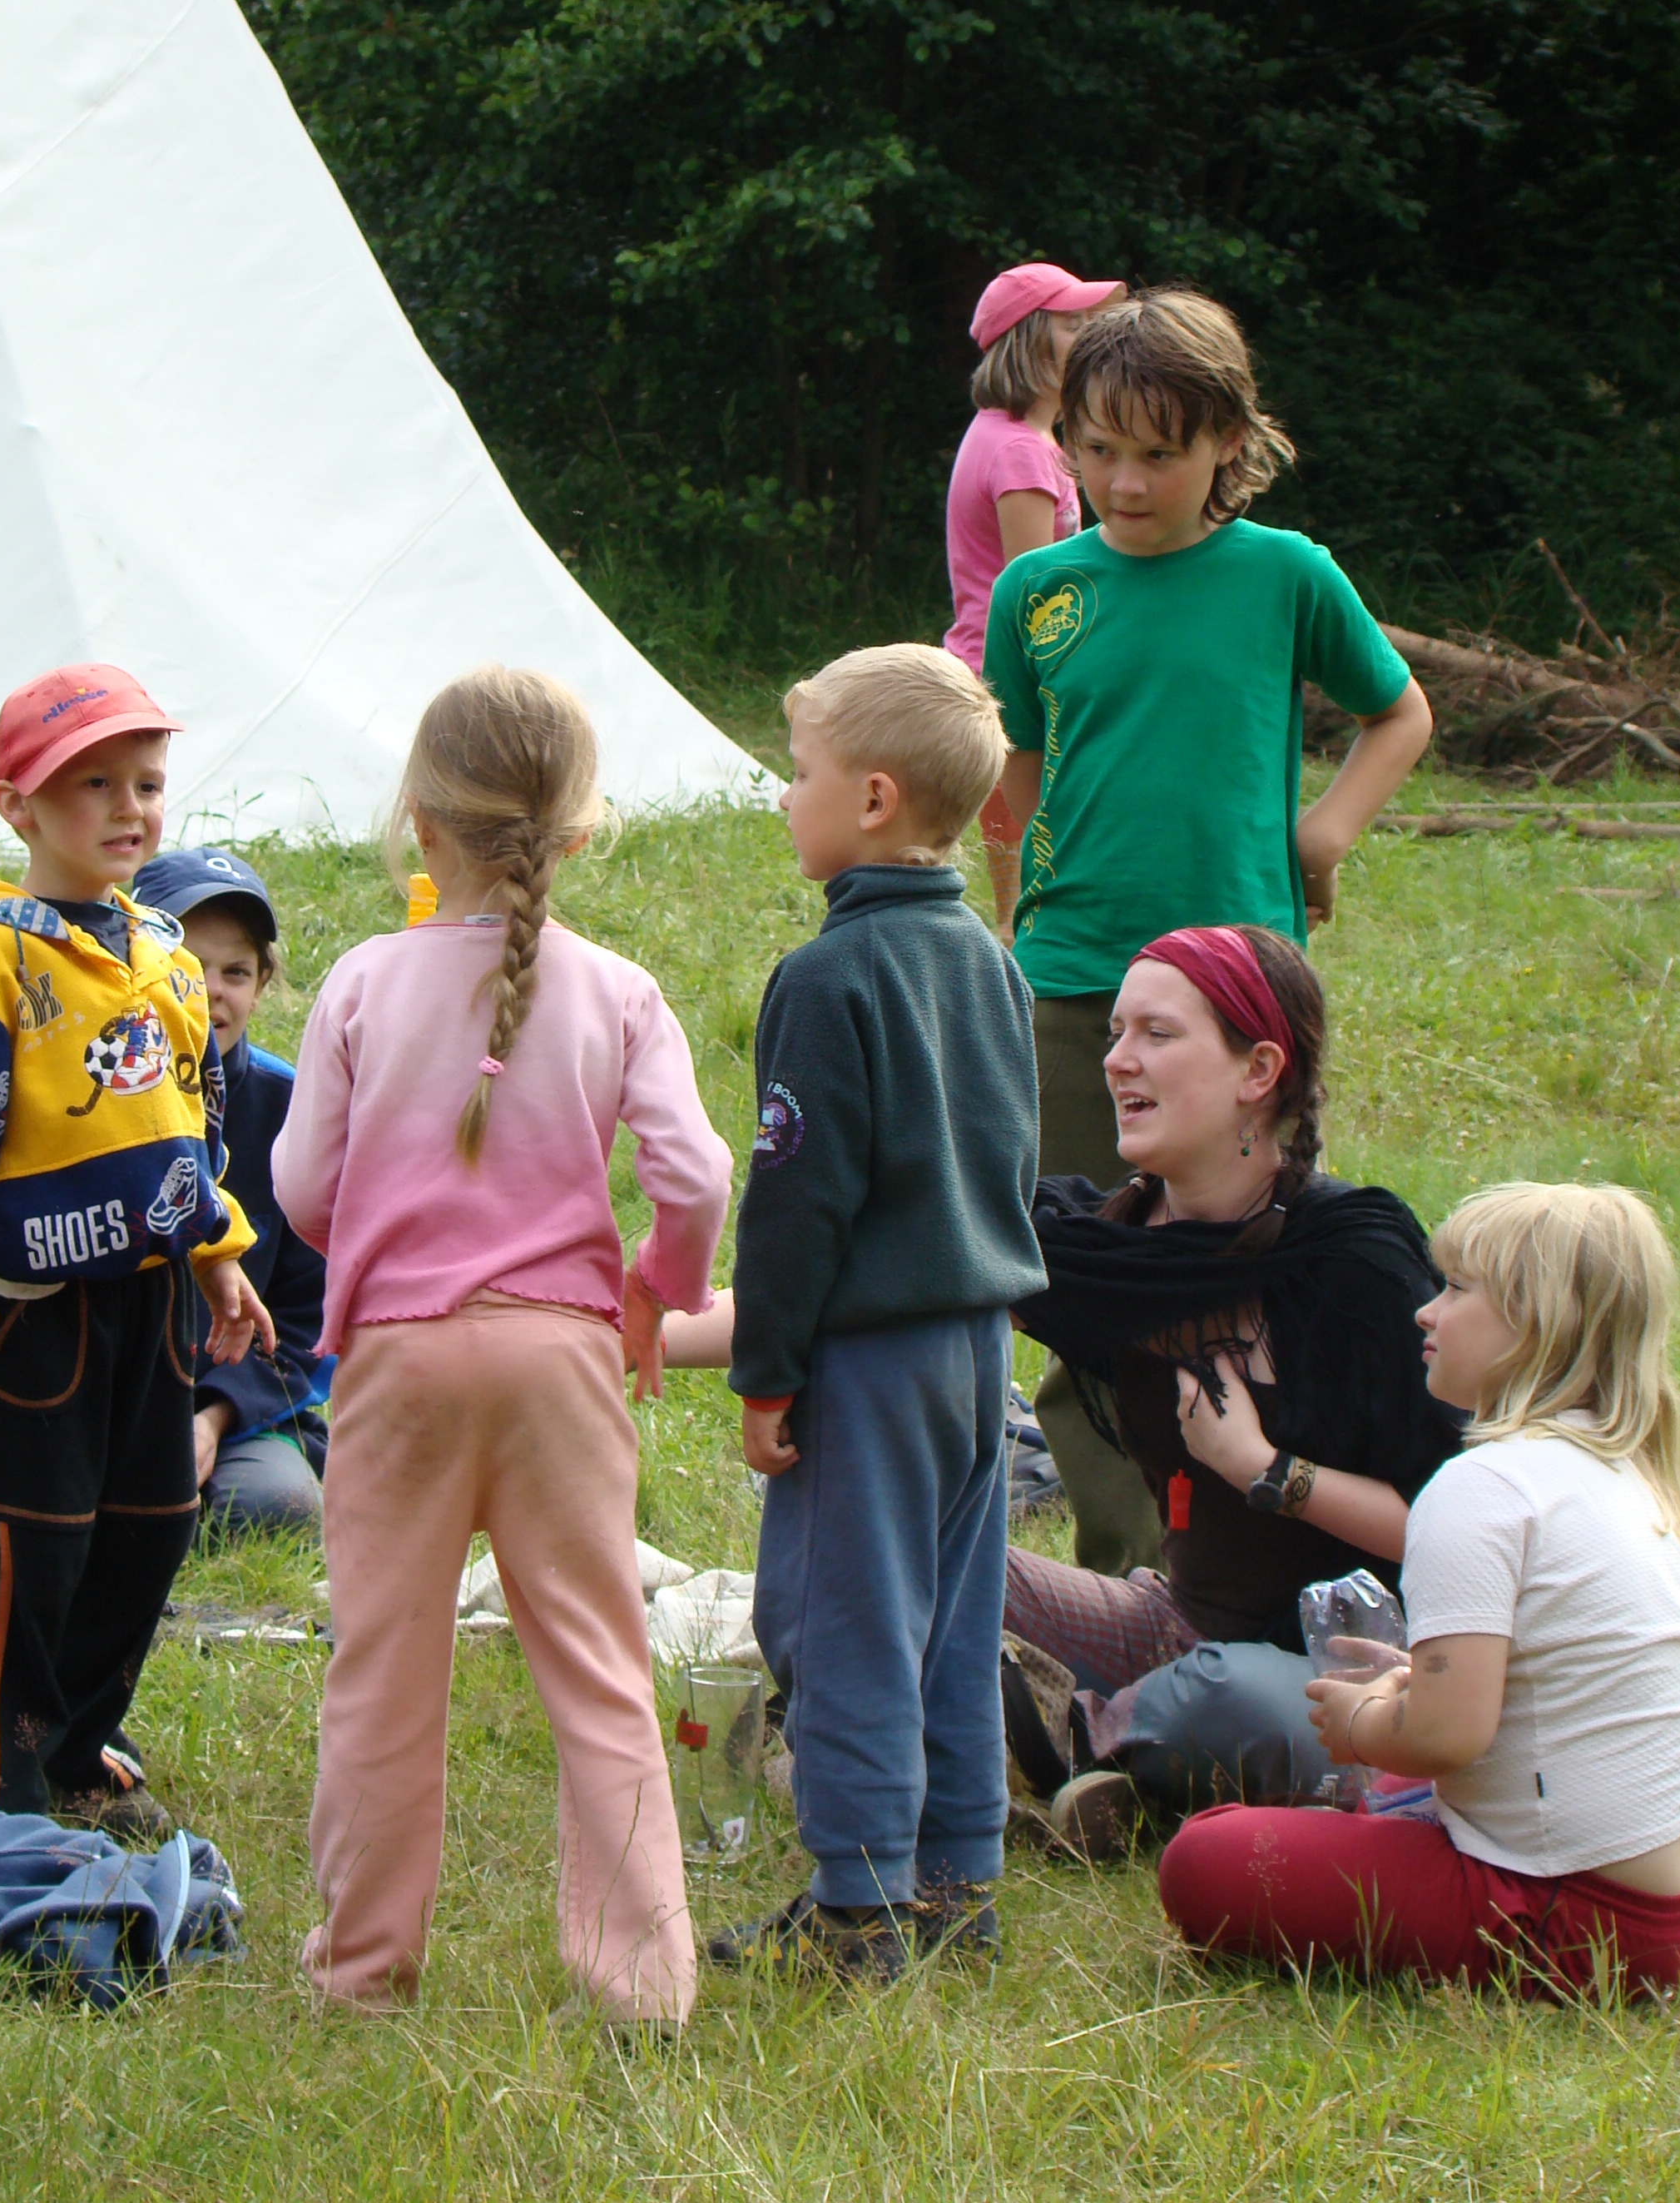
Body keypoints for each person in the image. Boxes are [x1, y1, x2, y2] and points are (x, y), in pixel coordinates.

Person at [276, 666, 733, 2023]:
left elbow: (301, 1187)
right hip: (564, 1365)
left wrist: (377, 1229)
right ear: (579, 834)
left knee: (381, 1671)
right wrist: (659, 1287)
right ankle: (644, 1982)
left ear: (418, 823)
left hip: (398, 1365)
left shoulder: (362, 982)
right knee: (599, 1665)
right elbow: (696, 1174)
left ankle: (363, 1971)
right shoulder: (620, 991)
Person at [984, 286, 1435, 1577]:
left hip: (1240, 990)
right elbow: (1015, 773)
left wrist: (1324, 833)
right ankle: (1123, 1573)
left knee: (1249, 1272)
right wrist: (1011, 932)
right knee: (1082, 1275)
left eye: (1159, 454)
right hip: (1075, 980)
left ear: (1229, 443)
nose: (1125, 482)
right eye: (1098, 449)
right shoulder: (1037, 591)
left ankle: (1252, 1569)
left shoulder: (1287, 576)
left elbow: (1398, 713)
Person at [0, 666, 273, 1838]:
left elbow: (188, 1127)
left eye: (147, 783)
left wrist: (218, 1251)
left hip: (154, 1306)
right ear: (18, 806)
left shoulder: (166, 956)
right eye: (94, 785)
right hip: (35, 1312)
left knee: (149, 1528)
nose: (129, 808)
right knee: (22, 1546)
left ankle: (79, 1750)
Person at [1159, 1184, 1680, 1998]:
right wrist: (1415, 1684)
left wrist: (1363, 1723)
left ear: (1538, 1324)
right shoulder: (1616, 1464)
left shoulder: (1480, 1489)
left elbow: (1446, 1737)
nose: (1425, 1312)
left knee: (1205, 1856)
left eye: (1458, 1289)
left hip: (1586, 1920)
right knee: (1397, 1788)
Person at [706, 646, 1045, 1982]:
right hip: (979, 1350)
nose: (786, 797)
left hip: (870, 1360)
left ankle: (855, 1907)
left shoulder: (829, 978)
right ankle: (959, 1877)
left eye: (801, 774)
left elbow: (796, 1206)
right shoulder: (992, 965)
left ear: (874, 799)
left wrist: (766, 1373)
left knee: (841, 1622)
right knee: (954, 1621)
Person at [1005, 925, 1461, 1851]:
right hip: (1178, 1627)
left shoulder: (1353, 1266)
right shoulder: (1111, 1249)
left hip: (1365, 1673)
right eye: (1115, 1035)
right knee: (929, 1559)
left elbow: (1454, 1529)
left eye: (1157, 1034)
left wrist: (1267, 1470)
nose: (1118, 1060)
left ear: (1259, 1070)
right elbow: (912, 1285)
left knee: (1225, 1699)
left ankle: (1062, 1744)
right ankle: (1117, 1763)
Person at [133, 846, 331, 1536]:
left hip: (243, 1410)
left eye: (236, 972)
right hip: (102, 1401)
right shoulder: (84, 1103)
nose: (211, 990)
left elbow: (310, 1318)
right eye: (186, 967)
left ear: (262, 984)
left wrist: (213, 1419)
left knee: (276, 1504)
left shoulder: (294, 1111)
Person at [944, 263, 1124, 940]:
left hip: (992, 668)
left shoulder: (1009, 435)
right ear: (1026, 342)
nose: (1094, 338)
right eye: (1074, 324)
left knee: (1024, 883)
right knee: (1024, 897)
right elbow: (1035, 595)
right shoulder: (1021, 452)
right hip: (1015, 678)